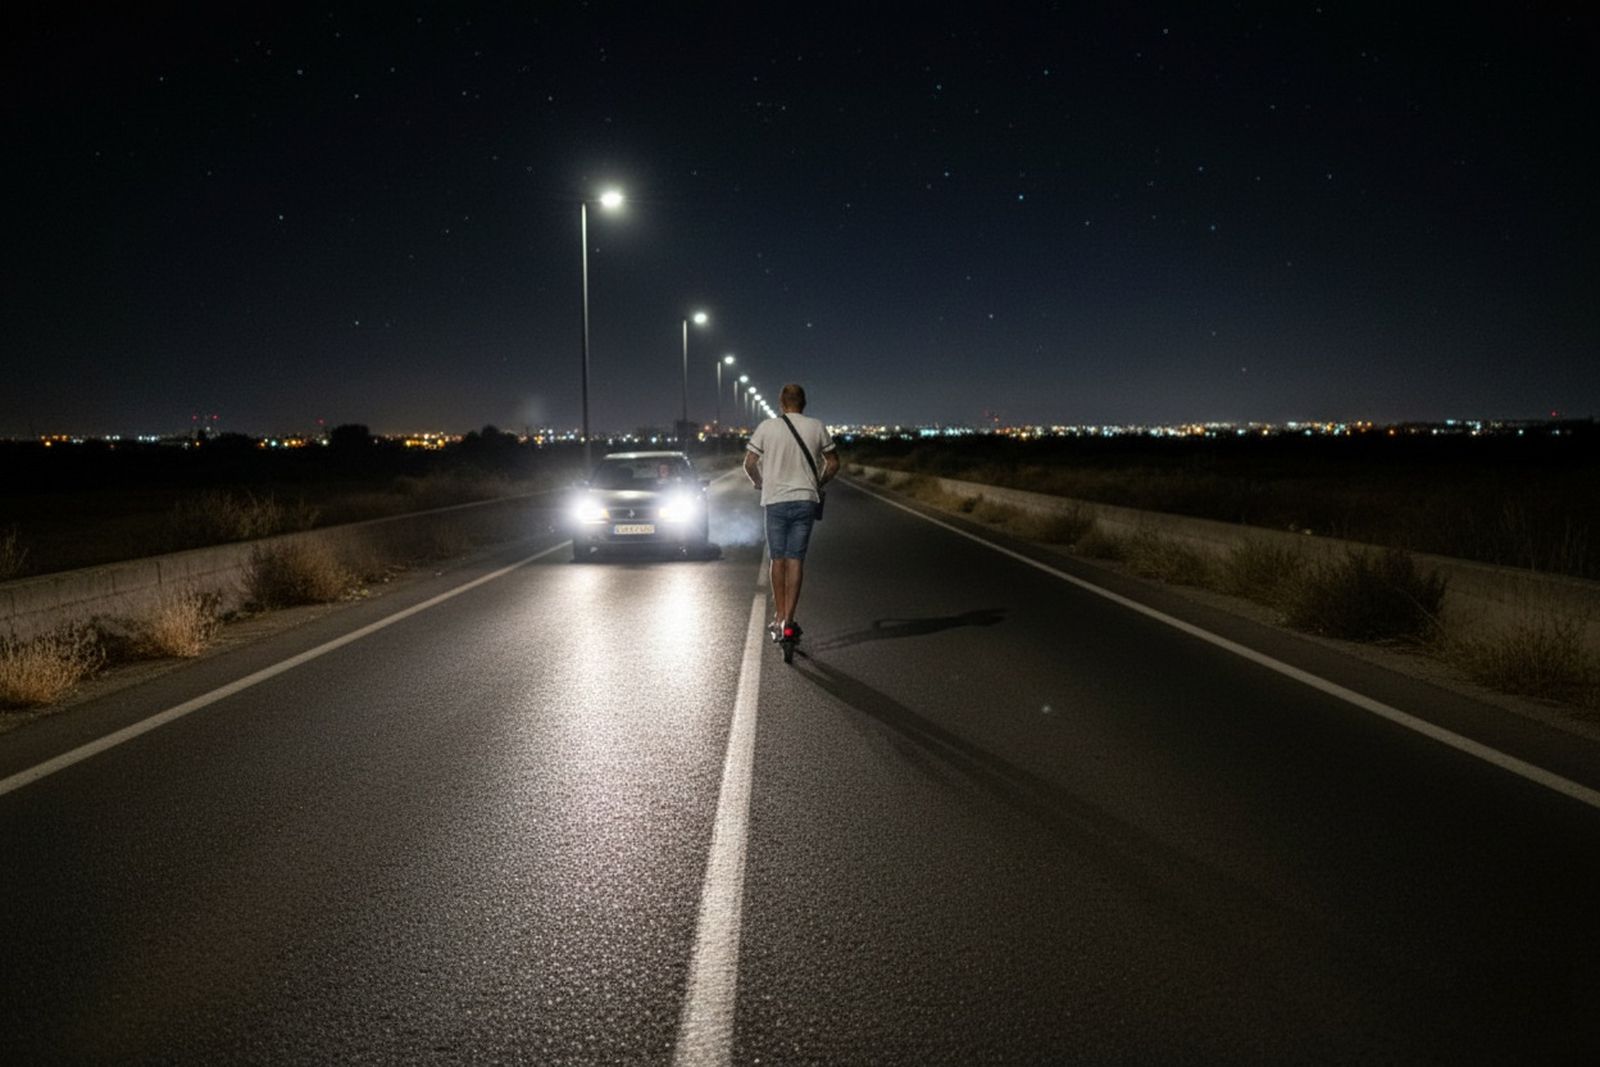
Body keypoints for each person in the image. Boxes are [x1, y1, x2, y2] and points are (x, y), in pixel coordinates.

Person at [744, 382, 840, 641]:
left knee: (778, 559)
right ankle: (790, 619)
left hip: (775, 500)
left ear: (781, 404)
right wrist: (818, 483)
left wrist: (759, 482)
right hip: (805, 501)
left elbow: (749, 463)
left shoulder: (767, 427)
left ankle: (778, 617)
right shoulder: (816, 426)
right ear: (804, 403)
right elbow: (833, 463)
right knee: (796, 559)